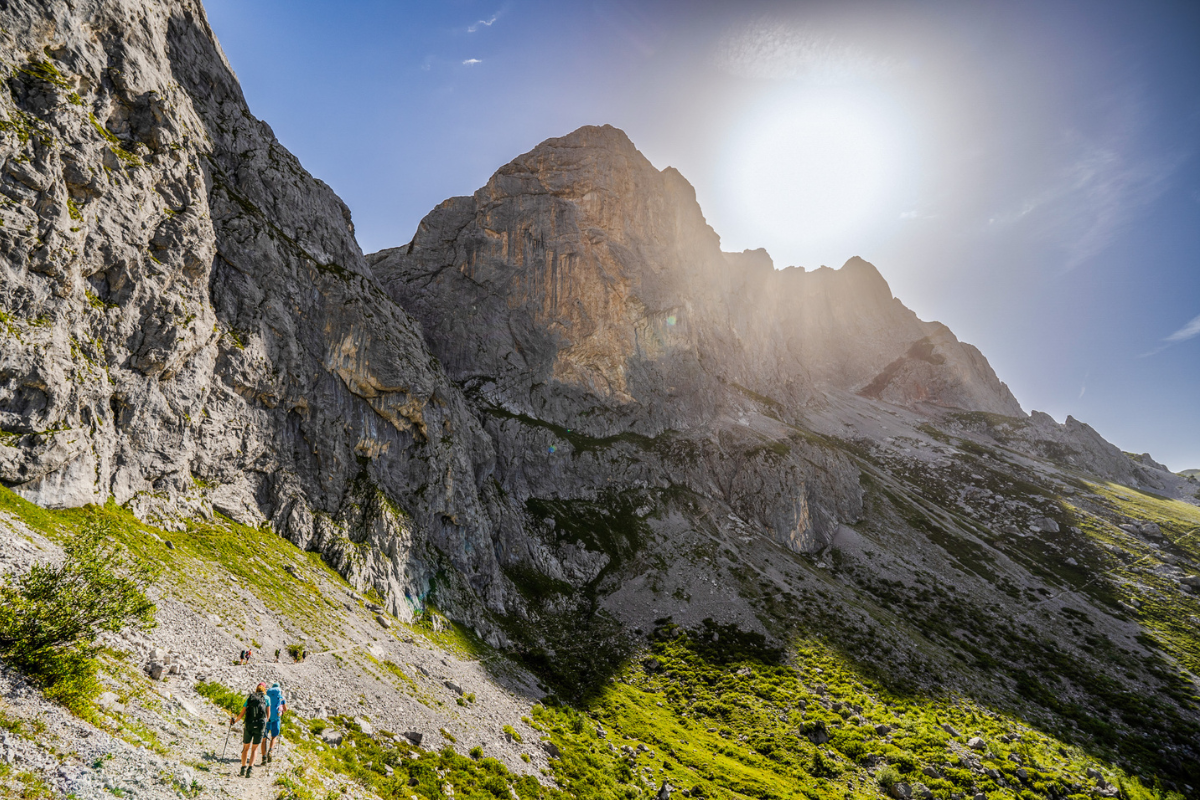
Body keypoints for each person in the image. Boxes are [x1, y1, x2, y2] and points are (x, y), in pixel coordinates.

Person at [231, 682, 271, 777]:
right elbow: (268, 715)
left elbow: (242, 714)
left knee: (245, 748)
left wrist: (234, 721)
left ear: (256, 689)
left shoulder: (250, 698)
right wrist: (264, 724)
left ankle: (243, 768)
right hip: (260, 726)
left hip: (249, 725)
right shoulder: (267, 699)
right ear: (264, 690)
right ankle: (250, 769)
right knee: (254, 748)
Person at [263, 681, 287, 763]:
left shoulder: (268, 694)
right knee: (274, 736)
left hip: (267, 718)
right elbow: (285, 709)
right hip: (276, 718)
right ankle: (271, 750)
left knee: (264, 738)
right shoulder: (281, 697)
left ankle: (263, 756)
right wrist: (281, 712)